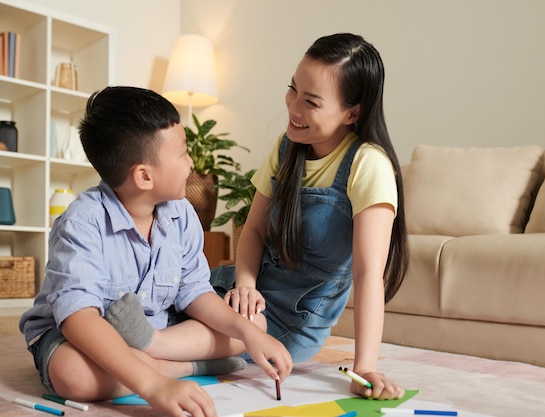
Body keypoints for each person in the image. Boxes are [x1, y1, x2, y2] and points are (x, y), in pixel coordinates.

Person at [19, 86, 292, 417]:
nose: (191, 163)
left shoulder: (181, 213)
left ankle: (153, 352)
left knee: (255, 325)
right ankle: (181, 367)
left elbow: (194, 291)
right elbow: (79, 320)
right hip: (79, 333)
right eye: (182, 153)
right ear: (144, 176)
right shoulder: (82, 222)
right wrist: (151, 384)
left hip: (158, 328)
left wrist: (247, 332)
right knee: (73, 375)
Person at [211, 33, 408, 400]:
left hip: (289, 320)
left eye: (312, 102)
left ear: (353, 112)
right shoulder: (288, 148)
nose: (294, 108)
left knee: (201, 330)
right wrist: (246, 286)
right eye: (292, 90)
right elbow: (253, 231)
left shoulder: (367, 165)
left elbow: (368, 275)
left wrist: (364, 367)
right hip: (246, 294)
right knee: (177, 300)